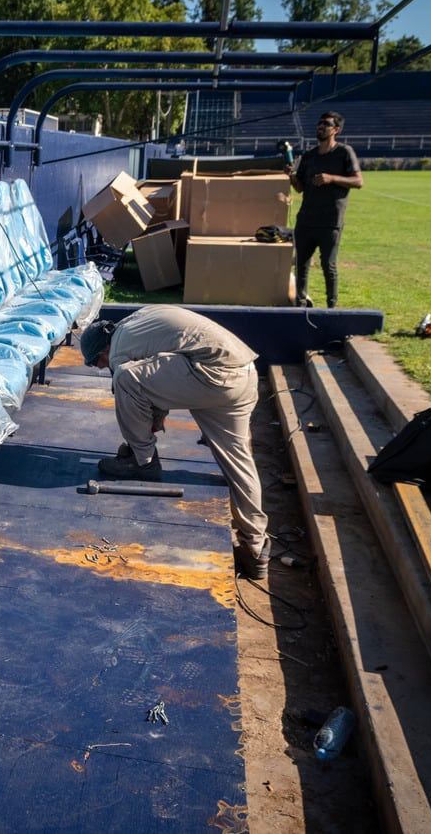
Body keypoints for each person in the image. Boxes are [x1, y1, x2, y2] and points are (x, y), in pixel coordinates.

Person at [79, 307, 270, 579]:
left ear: (103, 351)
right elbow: (169, 358)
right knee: (238, 462)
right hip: (243, 373)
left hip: (211, 374)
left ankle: (142, 461)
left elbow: (136, 380)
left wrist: (141, 439)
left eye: (96, 363)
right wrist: (155, 416)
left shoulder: (119, 349)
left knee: (124, 378)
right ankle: (255, 546)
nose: (100, 368)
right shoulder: (138, 322)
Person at [287, 111, 363, 308]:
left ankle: (331, 306)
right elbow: (300, 187)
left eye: (326, 124)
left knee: (328, 265)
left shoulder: (344, 152)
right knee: (301, 264)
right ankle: (301, 301)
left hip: (330, 221)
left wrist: (332, 178)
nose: (320, 127)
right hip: (306, 219)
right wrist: (292, 176)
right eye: (319, 123)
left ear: (336, 129)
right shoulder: (309, 156)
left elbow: (358, 181)